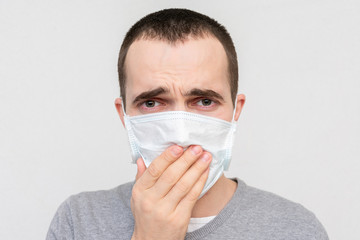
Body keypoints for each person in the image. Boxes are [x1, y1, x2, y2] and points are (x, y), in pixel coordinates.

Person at [46, 8, 328, 240]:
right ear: (124, 116)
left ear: (235, 110)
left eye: (204, 101)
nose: (180, 136)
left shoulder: (295, 229)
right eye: (152, 103)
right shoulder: (79, 221)